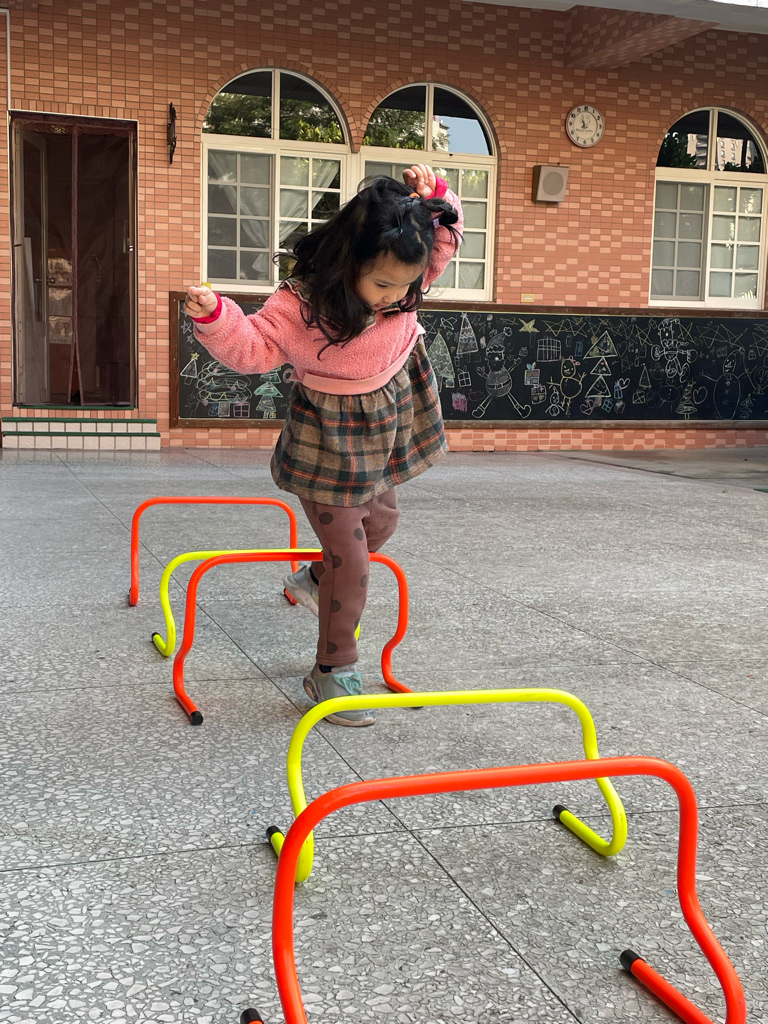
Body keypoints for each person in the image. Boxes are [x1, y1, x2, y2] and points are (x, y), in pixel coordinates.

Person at [185, 164, 462, 727]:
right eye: (382, 285)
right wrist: (216, 319)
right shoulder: (303, 305)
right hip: (328, 439)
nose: (396, 297)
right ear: (349, 262)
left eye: (406, 286)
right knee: (352, 559)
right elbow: (253, 347)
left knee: (382, 523)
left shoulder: (405, 276)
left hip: (386, 422)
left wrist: (438, 195)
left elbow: (445, 239)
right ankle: (333, 669)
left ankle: (313, 580)